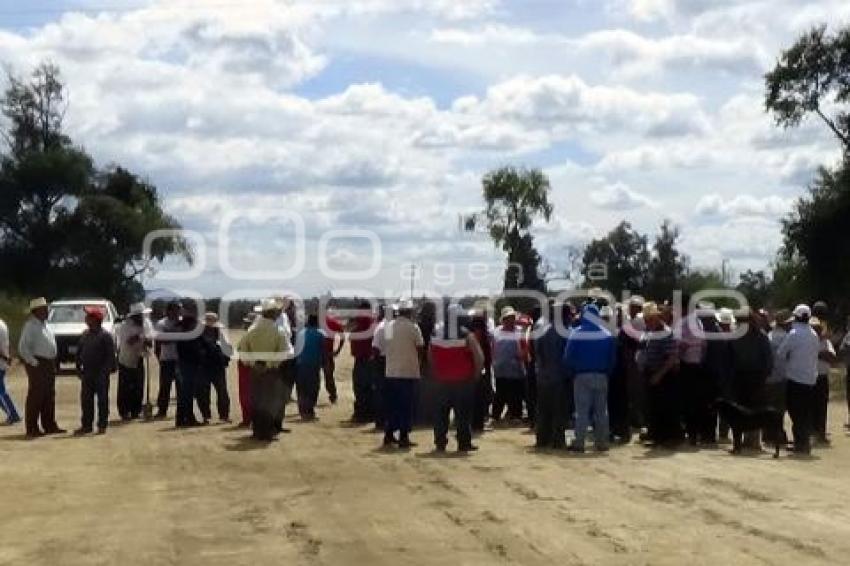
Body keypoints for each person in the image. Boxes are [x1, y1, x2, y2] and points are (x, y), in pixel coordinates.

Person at [429, 305, 484, 452]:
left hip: (441, 381)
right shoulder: (467, 335)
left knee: (441, 413)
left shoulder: (435, 334)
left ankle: (440, 442)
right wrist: (476, 375)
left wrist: (435, 373)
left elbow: (430, 357)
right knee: (463, 415)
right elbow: (479, 358)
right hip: (463, 381)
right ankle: (463, 443)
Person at [564, 304, 617, 453]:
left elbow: (567, 357)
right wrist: (607, 372)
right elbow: (612, 359)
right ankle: (602, 442)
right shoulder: (607, 334)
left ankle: (579, 442)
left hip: (581, 376)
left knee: (581, 411)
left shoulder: (576, 333)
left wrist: (573, 372)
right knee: (601, 411)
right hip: (601, 375)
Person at [239, 298, 288, 441]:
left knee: (257, 399)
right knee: (270, 401)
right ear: (273, 314)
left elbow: (242, 350)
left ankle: (257, 431)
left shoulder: (252, 330)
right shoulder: (279, 331)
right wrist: (270, 364)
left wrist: (253, 363)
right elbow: (283, 353)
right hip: (271, 371)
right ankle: (267, 432)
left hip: (255, 370)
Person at [777, 304, 820, 455]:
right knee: (805, 413)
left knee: (795, 412)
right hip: (809, 380)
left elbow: (781, 354)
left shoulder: (794, 334)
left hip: (795, 379)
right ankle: (804, 443)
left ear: (795, 317)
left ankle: (800, 443)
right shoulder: (814, 335)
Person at [18, 297, 64, 437]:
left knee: (49, 395)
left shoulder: (45, 325)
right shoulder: (30, 326)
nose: (47, 311)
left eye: (47, 308)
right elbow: (23, 348)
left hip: (48, 363)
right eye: (44, 309)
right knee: (36, 395)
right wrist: (33, 362)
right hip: (38, 363)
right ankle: (32, 428)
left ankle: (49, 424)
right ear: (36, 311)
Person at [382, 300, 425, 449]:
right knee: (406, 406)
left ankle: (388, 434)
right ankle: (404, 437)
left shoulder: (388, 327)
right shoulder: (413, 327)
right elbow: (420, 347)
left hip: (391, 371)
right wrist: (419, 363)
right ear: (409, 312)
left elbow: (383, 347)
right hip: (408, 372)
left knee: (393, 405)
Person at [728, 307, 773, 449]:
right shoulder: (734, 336)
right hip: (739, 376)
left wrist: (765, 376)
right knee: (739, 410)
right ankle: (738, 442)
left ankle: (752, 441)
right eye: (739, 321)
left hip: (756, 376)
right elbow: (729, 358)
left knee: (755, 409)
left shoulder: (761, 336)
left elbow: (768, 360)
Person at [640, 302, 681, 448]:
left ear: (657, 317)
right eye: (646, 319)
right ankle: (657, 436)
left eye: (649, 318)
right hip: (652, 372)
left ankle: (669, 437)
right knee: (654, 407)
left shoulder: (666, 332)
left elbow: (671, 358)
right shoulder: (651, 332)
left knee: (665, 407)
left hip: (664, 375)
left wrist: (659, 374)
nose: (647, 322)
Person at [534, 303, 571, 449]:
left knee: (543, 410)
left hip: (543, 375)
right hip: (560, 376)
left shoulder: (542, 330)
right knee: (559, 410)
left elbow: (537, 353)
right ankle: (557, 441)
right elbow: (568, 356)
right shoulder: (565, 331)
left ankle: (542, 439)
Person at [74, 306, 116, 435]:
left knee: (102, 400)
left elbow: (110, 356)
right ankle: (86, 425)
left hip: (100, 373)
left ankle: (102, 424)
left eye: (89, 316)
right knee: (86, 400)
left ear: (95, 319)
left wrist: (105, 371)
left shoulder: (105, 336)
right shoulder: (85, 334)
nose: (86, 318)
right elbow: (79, 352)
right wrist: (78, 367)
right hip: (87, 372)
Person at [491, 306, 527, 423]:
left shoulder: (519, 331)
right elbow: (493, 348)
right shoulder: (496, 332)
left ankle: (515, 415)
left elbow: (524, 347)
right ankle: (496, 416)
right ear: (503, 319)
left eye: (512, 317)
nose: (511, 320)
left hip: (516, 368)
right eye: (508, 318)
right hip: (500, 368)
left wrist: (522, 355)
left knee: (516, 393)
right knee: (500, 393)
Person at [116, 303, 151, 420]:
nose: (142, 318)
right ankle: (124, 411)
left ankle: (136, 410)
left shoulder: (145, 324)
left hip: (139, 357)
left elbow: (150, 339)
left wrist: (147, 342)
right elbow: (128, 342)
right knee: (125, 387)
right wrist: (141, 336)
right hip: (126, 359)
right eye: (140, 316)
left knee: (139, 385)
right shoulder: (125, 326)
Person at [198, 312, 232, 424]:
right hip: (204, 366)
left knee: (221, 392)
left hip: (217, 366)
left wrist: (225, 359)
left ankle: (223, 415)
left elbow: (228, 348)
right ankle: (206, 416)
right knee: (204, 392)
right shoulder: (199, 335)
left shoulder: (220, 333)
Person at [764, 309, 791, 445]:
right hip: (781, 377)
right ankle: (777, 434)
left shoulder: (769, 335)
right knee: (779, 408)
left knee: (768, 406)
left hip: (768, 377)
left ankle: (767, 434)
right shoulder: (786, 337)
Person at [175, 302, 204, 428]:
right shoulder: (191, 326)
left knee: (185, 392)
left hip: (184, 361)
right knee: (187, 392)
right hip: (189, 362)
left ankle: (182, 418)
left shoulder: (182, 326)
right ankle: (187, 418)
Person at [295, 312, 326, 420]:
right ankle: (309, 410)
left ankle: (303, 410)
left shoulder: (300, 333)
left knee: (302, 387)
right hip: (313, 364)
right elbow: (323, 350)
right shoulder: (320, 334)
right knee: (313, 387)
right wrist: (324, 363)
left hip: (300, 364)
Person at [153, 301, 181, 419]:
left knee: (181, 387)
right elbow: (162, 340)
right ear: (169, 311)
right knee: (165, 386)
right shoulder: (161, 323)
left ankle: (182, 410)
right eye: (176, 309)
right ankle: (162, 410)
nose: (178, 312)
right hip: (167, 358)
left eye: (179, 310)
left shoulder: (182, 322)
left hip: (180, 359)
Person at [811, 317, 837, 445]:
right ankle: (810, 432)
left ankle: (820, 433)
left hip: (821, 378)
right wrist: (821, 354)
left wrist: (819, 354)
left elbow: (832, 358)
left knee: (822, 407)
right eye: (814, 328)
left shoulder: (826, 343)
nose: (817, 331)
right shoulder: (808, 341)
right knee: (810, 407)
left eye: (818, 328)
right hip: (810, 378)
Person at [348, 301, 375, 423]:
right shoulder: (373, 321)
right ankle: (369, 413)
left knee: (359, 387)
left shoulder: (358, 321)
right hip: (370, 358)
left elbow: (350, 335)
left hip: (361, 359)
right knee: (369, 388)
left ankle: (361, 413)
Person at [469, 310, 494, 433]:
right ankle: (477, 423)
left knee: (480, 396)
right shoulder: (479, 335)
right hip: (479, 369)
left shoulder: (471, 334)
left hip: (479, 369)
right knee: (479, 397)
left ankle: (477, 422)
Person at [371, 305, 391, 431]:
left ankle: (381, 420)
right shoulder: (385, 327)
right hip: (385, 361)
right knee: (385, 393)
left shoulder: (381, 327)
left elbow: (375, 348)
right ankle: (382, 420)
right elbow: (376, 349)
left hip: (382, 361)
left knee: (382, 392)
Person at [0, 316, 21, 424]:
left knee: (1, 392)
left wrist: (5, 357)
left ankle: (13, 414)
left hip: (1, 360)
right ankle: (13, 414)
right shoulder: (2, 323)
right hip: (2, 361)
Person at [322, 311, 345, 404]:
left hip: (322, 353)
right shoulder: (331, 321)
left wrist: (338, 350)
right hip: (326, 354)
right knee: (328, 376)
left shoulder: (330, 321)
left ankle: (333, 395)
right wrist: (338, 350)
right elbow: (342, 336)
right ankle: (333, 395)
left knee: (327, 376)